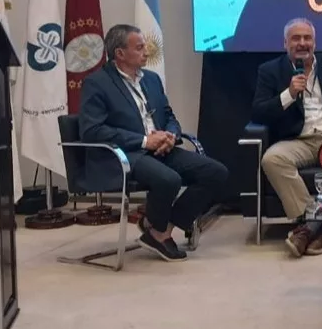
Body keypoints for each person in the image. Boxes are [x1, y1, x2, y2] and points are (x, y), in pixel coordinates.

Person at [79, 24, 229, 262]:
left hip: (161, 149)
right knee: (169, 179)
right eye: (139, 48)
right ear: (120, 53)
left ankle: (161, 229)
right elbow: (92, 130)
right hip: (125, 153)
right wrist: (144, 141)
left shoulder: (151, 79)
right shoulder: (97, 83)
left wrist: (170, 135)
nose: (146, 52)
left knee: (216, 173)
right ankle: (157, 230)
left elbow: (168, 115)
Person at [252, 18, 322, 258]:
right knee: (272, 159)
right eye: (296, 38)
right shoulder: (270, 70)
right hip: (297, 140)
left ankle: (309, 229)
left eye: (307, 38)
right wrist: (289, 94)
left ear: (314, 42)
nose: (302, 43)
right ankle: (319, 225)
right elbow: (259, 112)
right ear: (285, 43)